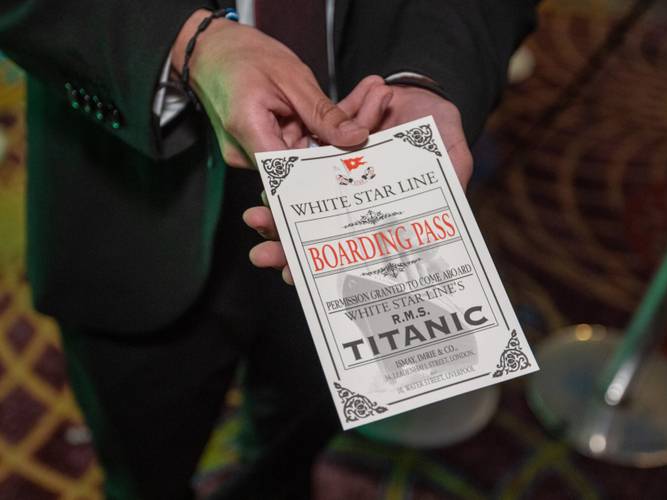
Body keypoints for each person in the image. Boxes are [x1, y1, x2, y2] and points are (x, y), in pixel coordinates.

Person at [0, 1, 538, 498]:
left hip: (364, 203)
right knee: (144, 469)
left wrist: (429, 74)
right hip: (126, 196)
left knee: (291, 451)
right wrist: (184, 42)